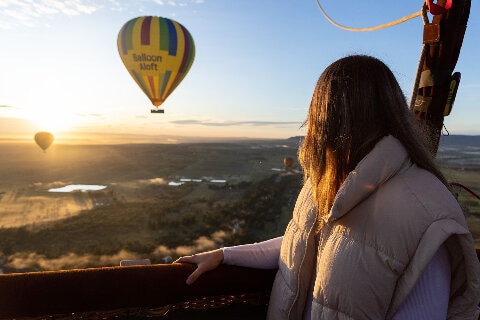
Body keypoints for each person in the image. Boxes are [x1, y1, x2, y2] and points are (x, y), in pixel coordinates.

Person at [175, 55, 480, 319]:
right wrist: (225, 255)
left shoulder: (425, 212)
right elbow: (304, 242)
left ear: (329, 117)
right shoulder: (325, 184)